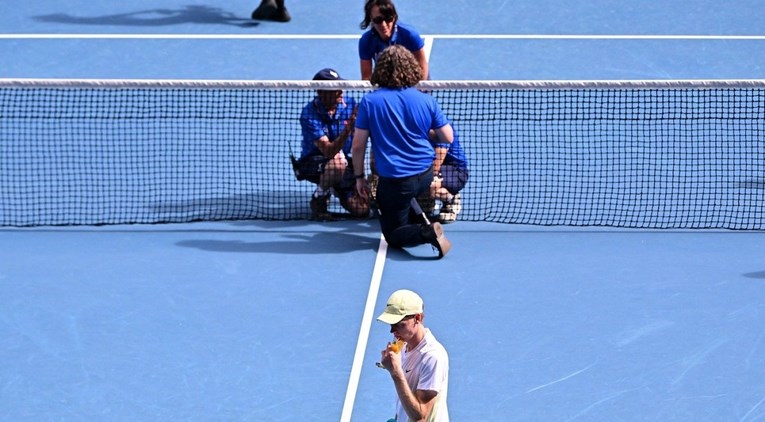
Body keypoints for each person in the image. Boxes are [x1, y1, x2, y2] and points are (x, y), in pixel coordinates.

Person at [351, 45, 452, 258]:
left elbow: (358, 145)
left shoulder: (370, 101)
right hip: (425, 174)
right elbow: (447, 137)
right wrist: (421, 131)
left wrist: (359, 178)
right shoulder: (426, 99)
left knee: (393, 235)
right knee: (404, 197)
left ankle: (426, 232)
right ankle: (414, 215)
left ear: (381, 70)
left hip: (396, 181)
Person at [297, 68, 368, 220]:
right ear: (322, 92)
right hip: (313, 162)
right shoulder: (309, 114)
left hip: (343, 162)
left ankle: (335, 186)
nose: (341, 91)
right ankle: (319, 198)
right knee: (336, 163)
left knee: (362, 210)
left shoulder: (349, 105)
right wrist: (348, 129)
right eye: (335, 89)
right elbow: (328, 152)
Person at [377, 289, 449, 422]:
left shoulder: (432, 357)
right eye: (392, 324)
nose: (392, 330)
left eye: (399, 324)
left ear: (417, 318)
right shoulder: (403, 344)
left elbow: (419, 417)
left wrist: (396, 373)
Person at [358, 0, 428, 81]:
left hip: (412, 79)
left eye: (388, 18)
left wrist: (420, 88)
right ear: (371, 20)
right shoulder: (366, 41)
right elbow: (366, 77)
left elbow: (422, 67)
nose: (383, 25)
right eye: (378, 20)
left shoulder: (410, 35)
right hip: (385, 81)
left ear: (394, 17)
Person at [422, 125, 469, 223]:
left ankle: (451, 199)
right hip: (430, 167)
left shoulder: (440, 126)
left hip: (455, 171)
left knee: (432, 186)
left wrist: (433, 177)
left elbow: (440, 152)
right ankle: (426, 204)